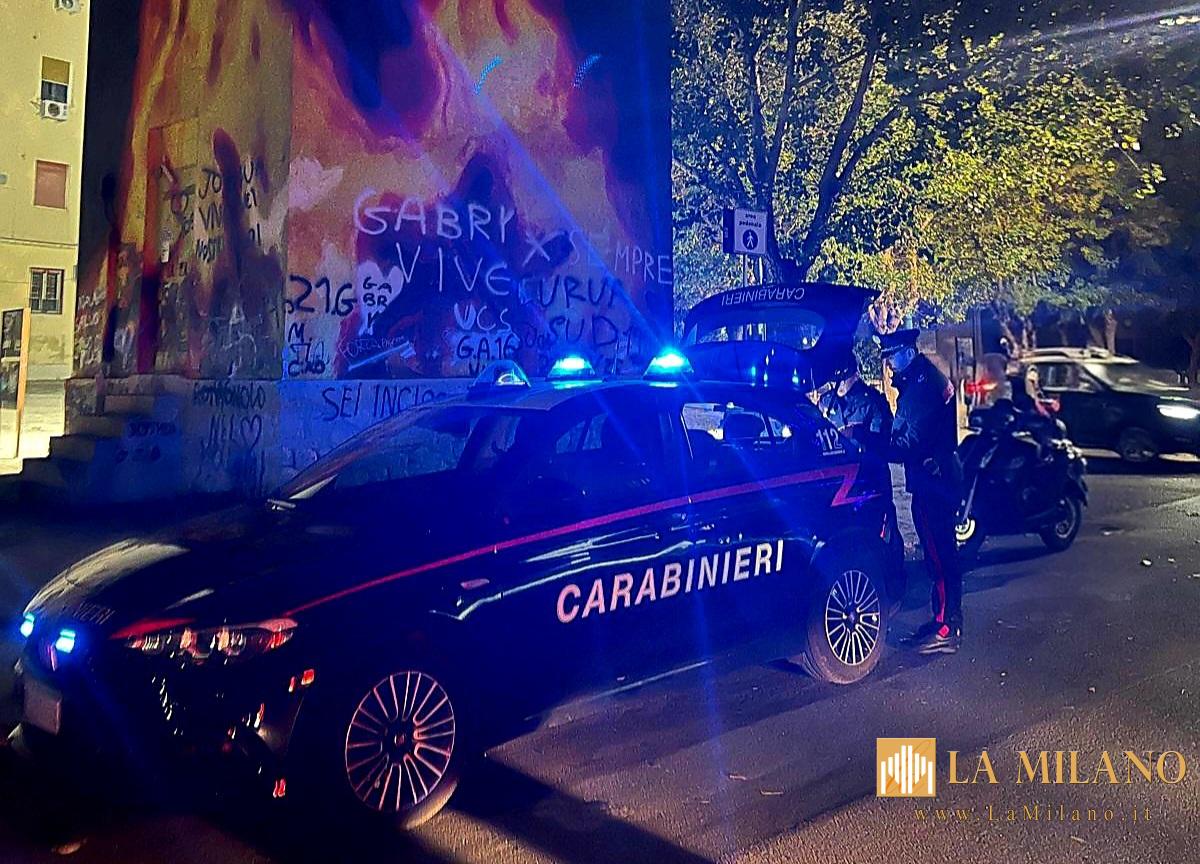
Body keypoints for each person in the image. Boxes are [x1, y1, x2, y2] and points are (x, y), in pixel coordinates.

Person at [877, 329, 963, 655]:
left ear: (907, 353)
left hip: (932, 482)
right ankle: (942, 619)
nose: (889, 365)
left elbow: (906, 442)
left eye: (892, 357)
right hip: (938, 477)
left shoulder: (920, 388)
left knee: (940, 555)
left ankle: (947, 627)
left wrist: (873, 446)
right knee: (939, 552)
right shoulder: (925, 378)